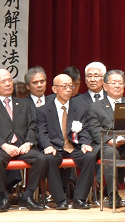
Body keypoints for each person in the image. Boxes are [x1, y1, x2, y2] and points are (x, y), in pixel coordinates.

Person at [0, 69, 48, 211]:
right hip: (1, 147)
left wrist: (28, 143)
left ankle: (28, 196)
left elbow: (32, 125)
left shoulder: (24, 103)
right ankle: (3, 197)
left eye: (10, 80)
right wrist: (3, 145)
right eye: (3, 81)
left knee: (42, 158)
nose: (8, 84)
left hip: (22, 146)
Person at [87, 70, 125, 211]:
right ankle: (112, 194)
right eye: (113, 82)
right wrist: (109, 140)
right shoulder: (95, 107)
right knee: (111, 152)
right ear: (105, 86)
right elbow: (95, 129)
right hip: (108, 145)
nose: (117, 86)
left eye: (120, 83)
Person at [37, 74, 96, 210]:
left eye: (71, 86)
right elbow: (42, 132)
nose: (69, 89)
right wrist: (47, 145)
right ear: (54, 89)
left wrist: (86, 142)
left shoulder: (80, 108)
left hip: (73, 147)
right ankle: (60, 200)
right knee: (48, 158)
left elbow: (85, 130)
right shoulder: (43, 110)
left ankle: (79, 199)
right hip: (55, 148)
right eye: (64, 86)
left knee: (90, 156)